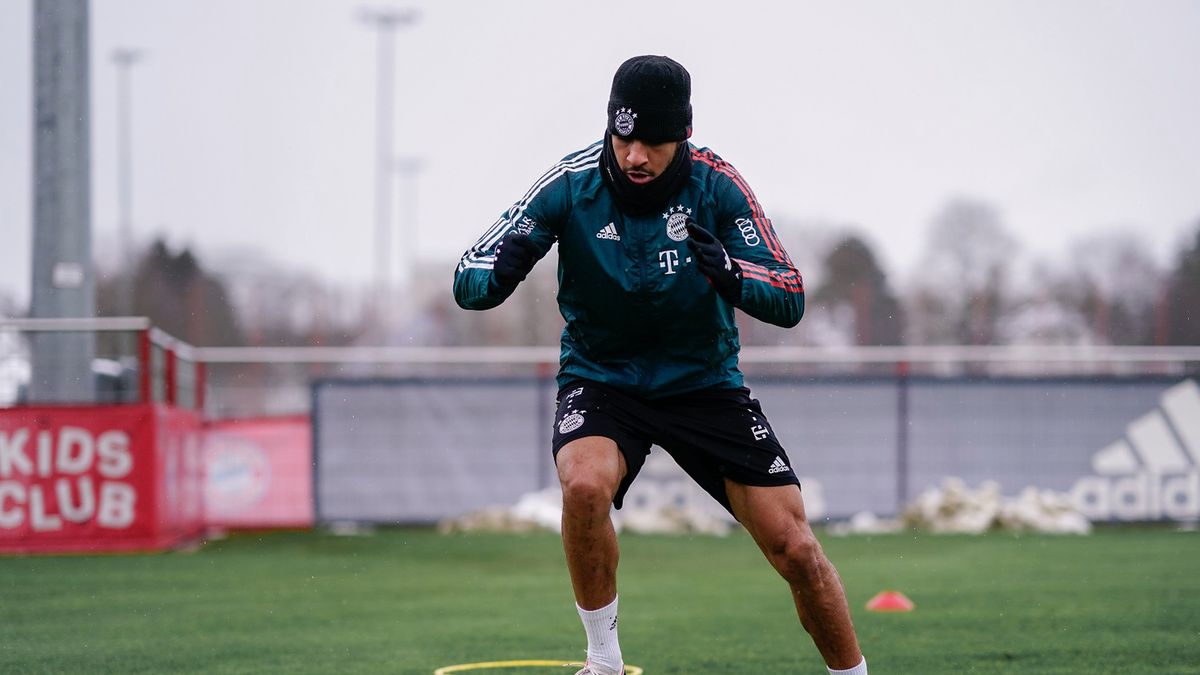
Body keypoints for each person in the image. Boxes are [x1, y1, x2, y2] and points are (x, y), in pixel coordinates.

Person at [453, 55, 867, 675]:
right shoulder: (569, 184)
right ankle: (602, 662)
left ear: (684, 136)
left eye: (652, 141)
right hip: (603, 378)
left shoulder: (719, 186)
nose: (635, 155)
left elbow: (789, 294)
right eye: (623, 137)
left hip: (704, 384)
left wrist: (732, 275)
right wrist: (499, 270)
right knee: (585, 485)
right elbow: (469, 276)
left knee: (797, 549)